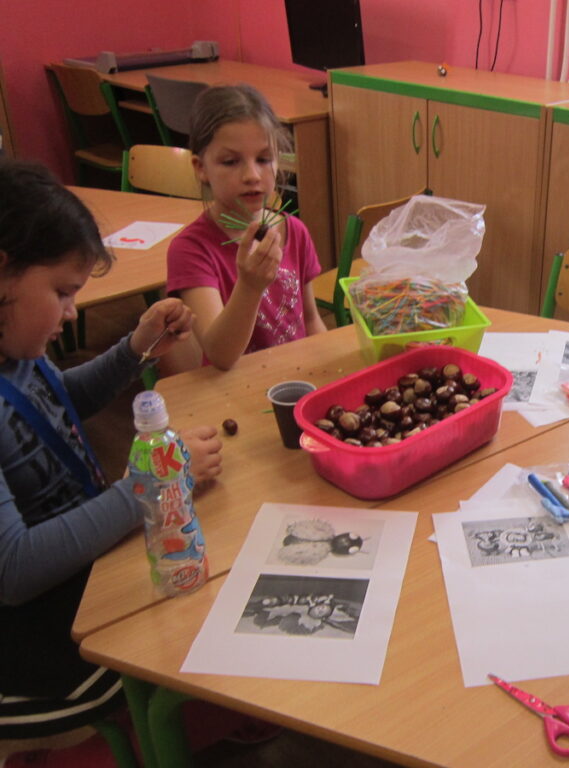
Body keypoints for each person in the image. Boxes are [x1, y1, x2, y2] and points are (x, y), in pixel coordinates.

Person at [0, 160, 224, 742]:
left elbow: (60, 401)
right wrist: (151, 487)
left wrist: (134, 348)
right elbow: (14, 570)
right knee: (182, 622)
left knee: (204, 562)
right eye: (62, 293)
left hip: (71, 571)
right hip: (31, 640)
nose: (72, 312)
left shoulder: (15, 353)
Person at [165, 84, 326, 372]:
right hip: (235, 388)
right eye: (230, 162)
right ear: (201, 168)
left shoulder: (294, 231)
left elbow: (312, 320)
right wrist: (250, 286)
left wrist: (330, 372)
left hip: (295, 380)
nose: (252, 175)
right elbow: (220, 354)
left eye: (264, 159)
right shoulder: (191, 249)